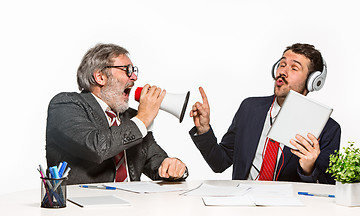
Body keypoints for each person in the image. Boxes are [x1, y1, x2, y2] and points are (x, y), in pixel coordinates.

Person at [189, 43, 340, 184]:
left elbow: (328, 189)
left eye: (294, 68)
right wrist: (204, 129)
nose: (282, 72)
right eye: (282, 64)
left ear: (312, 81)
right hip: (242, 204)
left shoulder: (328, 129)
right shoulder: (250, 108)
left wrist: (309, 168)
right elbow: (219, 163)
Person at [46, 43, 187, 185]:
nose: (134, 78)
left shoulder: (131, 117)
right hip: (84, 204)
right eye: (127, 70)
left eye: (134, 71)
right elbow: (97, 148)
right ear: (100, 77)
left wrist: (174, 167)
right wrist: (143, 119)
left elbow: (156, 162)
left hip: (133, 204)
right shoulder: (66, 104)